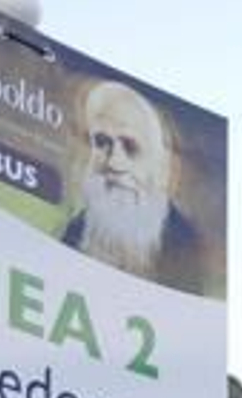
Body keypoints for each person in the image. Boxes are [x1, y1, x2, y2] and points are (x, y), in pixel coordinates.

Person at [62, 80, 208, 295]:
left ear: (155, 161)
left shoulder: (183, 242)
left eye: (130, 146)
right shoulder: (75, 234)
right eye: (102, 143)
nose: (114, 162)